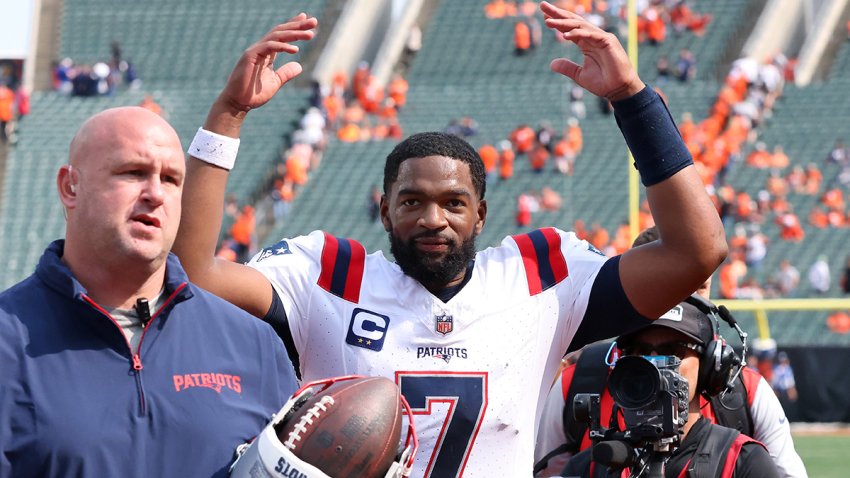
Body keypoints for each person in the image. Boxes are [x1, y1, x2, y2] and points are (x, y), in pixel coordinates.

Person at [173, 5, 727, 476]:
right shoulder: (327, 274)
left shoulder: (540, 278)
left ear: (481, 215)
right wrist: (229, 115)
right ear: (385, 211)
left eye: (453, 203)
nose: (433, 219)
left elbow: (696, 252)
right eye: (411, 201)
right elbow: (193, 271)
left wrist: (633, 99)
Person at [0, 107, 298, 477]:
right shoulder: (7, 339)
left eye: (172, 179)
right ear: (70, 186)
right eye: (133, 172)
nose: (155, 193)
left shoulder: (254, 344)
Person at [534, 227, 807, 477]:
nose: (678, 297)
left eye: (697, 286)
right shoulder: (580, 382)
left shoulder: (745, 395)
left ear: (712, 361)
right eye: (640, 351)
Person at [559, 298, 780, 477]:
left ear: (710, 366)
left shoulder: (741, 461)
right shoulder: (594, 466)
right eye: (639, 350)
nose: (653, 363)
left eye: (674, 351)